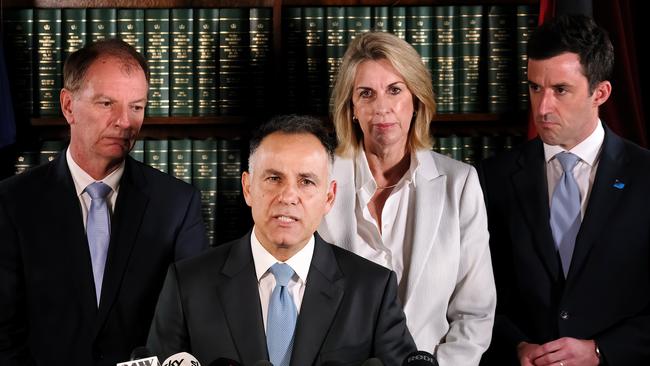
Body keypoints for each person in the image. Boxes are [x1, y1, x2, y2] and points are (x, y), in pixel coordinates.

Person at [0, 39, 208, 365]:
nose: (125, 121)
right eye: (107, 103)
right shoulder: (12, 202)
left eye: (136, 107)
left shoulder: (178, 205)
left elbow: (192, 325)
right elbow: (4, 331)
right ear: (68, 106)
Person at [147, 114, 416, 365]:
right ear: (248, 188)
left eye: (306, 182)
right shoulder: (188, 284)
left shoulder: (372, 289)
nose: (288, 196)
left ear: (329, 197)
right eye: (274, 178)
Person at [478, 14, 650, 366]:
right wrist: (517, 345)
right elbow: (473, 291)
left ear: (599, 93)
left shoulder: (646, 176)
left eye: (560, 90)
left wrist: (602, 350)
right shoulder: (490, 178)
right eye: (535, 87)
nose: (542, 108)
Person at [318, 31, 496, 365]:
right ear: (351, 108)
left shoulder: (459, 184)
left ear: (416, 100)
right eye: (366, 94)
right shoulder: (319, 180)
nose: (381, 107)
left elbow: (475, 314)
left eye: (395, 90)